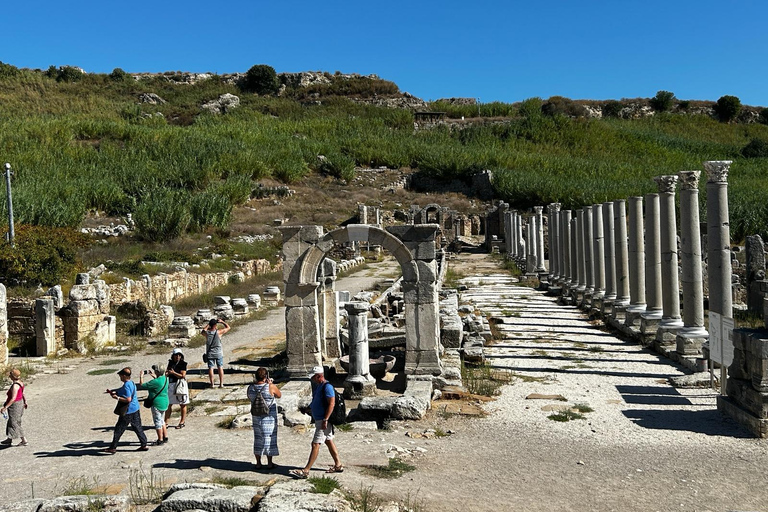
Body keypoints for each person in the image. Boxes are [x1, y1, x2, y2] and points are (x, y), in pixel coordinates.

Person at [289, 366, 343, 478]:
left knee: (315, 444)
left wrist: (325, 419)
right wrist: (308, 409)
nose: (312, 379)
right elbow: (317, 401)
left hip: (323, 420)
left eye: (313, 377)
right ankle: (338, 465)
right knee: (328, 441)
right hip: (320, 419)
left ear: (319, 376)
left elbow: (331, 404)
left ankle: (306, 470)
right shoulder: (320, 386)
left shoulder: (327, 387)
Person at [103, 367, 148, 453]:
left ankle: (113, 447)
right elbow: (123, 390)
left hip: (128, 410)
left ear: (124, 376)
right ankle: (144, 444)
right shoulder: (131, 383)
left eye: (120, 375)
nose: (120, 377)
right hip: (135, 408)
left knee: (118, 429)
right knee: (137, 427)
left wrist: (117, 397)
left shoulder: (126, 385)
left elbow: (128, 399)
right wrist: (116, 392)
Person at [247, 367, 282, 470]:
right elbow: (279, 395)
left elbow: (250, 397)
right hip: (269, 417)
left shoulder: (250, 388)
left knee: (258, 439)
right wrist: (270, 383)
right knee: (269, 439)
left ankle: (258, 463)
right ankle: (270, 463)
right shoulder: (270, 387)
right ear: (266, 376)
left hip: (256, 416)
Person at [138, 365, 169, 445]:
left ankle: (160, 439)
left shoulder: (155, 382)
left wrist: (141, 377)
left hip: (157, 404)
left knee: (157, 421)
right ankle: (165, 437)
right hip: (165, 402)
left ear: (157, 372)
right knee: (162, 420)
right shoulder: (165, 379)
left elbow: (142, 385)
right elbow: (159, 383)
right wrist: (154, 376)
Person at [1, 368, 28, 447]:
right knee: (11, 421)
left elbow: (13, 398)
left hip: (15, 406)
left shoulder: (15, 386)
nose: (9, 376)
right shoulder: (21, 383)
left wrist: (5, 407)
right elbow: (23, 393)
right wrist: (25, 401)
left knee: (14, 423)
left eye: (10, 375)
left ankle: (24, 440)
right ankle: (9, 438)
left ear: (13, 376)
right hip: (20, 403)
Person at [202, 318, 229, 388]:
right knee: (220, 367)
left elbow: (202, 331)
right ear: (215, 325)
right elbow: (228, 327)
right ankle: (221, 383)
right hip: (218, 353)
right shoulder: (219, 332)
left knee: (211, 368)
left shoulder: (207, 333)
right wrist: (222, 322)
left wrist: (208, 325)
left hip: (210, 353)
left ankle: (212, 384)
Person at [165, 348, 189, 429]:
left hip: (180, 384)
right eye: (176, 355)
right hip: (171, 384)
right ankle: (166, 422)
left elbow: (183, 375)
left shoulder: (183, 364)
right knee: (169, 404)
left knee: (182, 403)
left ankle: (182, 421)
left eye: (179, 355)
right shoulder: (170, 363)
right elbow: (167, 372)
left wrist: (173, 373)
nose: (177, 357)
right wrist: (167, 373)